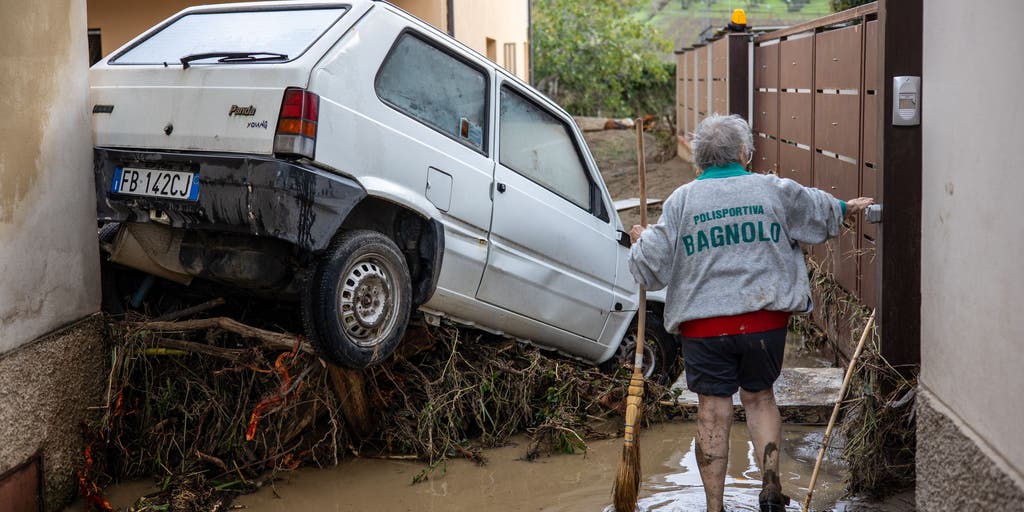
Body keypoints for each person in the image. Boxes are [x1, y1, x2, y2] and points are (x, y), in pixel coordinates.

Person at [628, 114, 873, 512]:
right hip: (765, 322)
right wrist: (847, 206)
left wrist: (640, 242)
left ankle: (714, 507)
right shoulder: (771, 189)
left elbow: (650, 269)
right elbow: (819, 210)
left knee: (713, 409)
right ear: (743, 153)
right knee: (760, 398)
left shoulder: (681, 201)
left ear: (698, 159)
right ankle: (771, 485)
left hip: (705, 327)